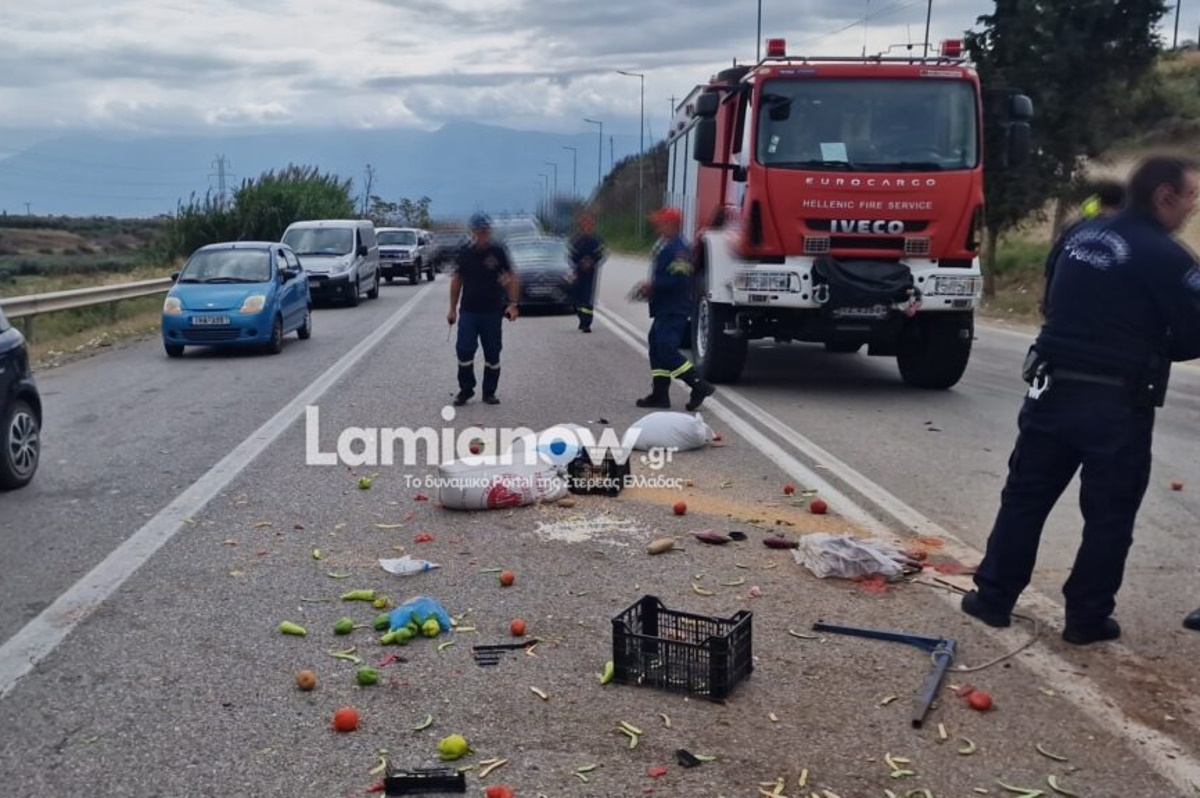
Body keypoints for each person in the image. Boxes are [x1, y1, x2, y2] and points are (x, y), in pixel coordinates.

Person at [961, 155, 1200, 645]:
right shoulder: (1168, 256)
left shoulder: (1079, 234)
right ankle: (1086, 618)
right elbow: (1196, 334)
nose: (1193, 208)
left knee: (1025, 497)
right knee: (1109, 516)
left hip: (1052, 389)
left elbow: (1050, 303)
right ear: (1164, 196)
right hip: (1118, 403)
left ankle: (993, 597)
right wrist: (1155, 347)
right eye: (1191, 197)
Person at [631, 207, 715, 411]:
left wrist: (654, 286)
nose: (658, 226)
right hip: (663, 307)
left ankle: (698, 385)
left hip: (674, 308)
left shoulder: (678, 248)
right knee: (657, 346)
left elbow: (680, 280)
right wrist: (651, 289)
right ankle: (660, 394)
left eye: (662, 222)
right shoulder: (665, 245)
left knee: (667, 350)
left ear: (672, 224)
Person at [447, 213, 519, 406]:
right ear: (473, 232)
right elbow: (457, 281)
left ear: (490, 231)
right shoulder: (464, 253)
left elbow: (511, 277)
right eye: (479, 231)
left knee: (493, 353)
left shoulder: (498, 252)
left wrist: (513, 304)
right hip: (469, 311)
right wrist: (452, 309)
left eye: (485, 231)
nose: (482, 234)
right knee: (464, 350)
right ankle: (466, 389)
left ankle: (489, 392)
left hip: (492, 312)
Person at [1040, 180, 1127, 316]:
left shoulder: (1074, 228)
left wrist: (1046, 304)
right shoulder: (1128, 235)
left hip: (1066, 310)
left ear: (1098, 201)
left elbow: (1052, 264)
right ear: (1123, 203)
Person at [567, 212, 606, 332]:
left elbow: (602, 254)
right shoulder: (575, 241)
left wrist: (592, 262)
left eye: (589, 226)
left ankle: (586, 323)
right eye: (584, 225)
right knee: (577, 298)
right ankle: (581, 317)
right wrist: (579, 264)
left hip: (590, 273)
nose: (586, 228)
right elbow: (571, 256)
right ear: (580, 227)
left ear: (592, 226)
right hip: (578, 273)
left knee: (588, 298)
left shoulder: (597, 241)